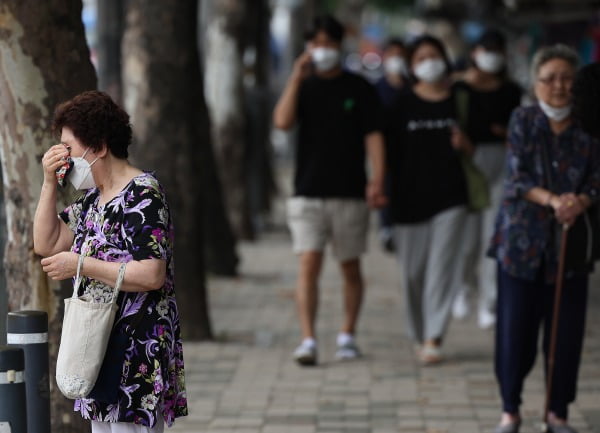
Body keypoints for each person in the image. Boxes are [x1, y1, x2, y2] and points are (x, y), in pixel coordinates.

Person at [33, 91, 188, 432]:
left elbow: (151, 274)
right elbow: (46, 242)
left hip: (135, 350)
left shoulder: (143, 195)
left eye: (69, 149)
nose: (65, 160)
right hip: (96, 346)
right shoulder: (93, 199)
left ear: (99, 147)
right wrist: (48, 183)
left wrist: (81, 265)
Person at [488, 45, 600, 433]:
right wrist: (554, 200)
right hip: (520, 245)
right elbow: (517, 179)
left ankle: (558, 413)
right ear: (535, 82)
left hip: (570, 249)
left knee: (565, 334)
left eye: (566, 77)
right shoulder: (523, 120)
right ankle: (510, 409)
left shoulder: (589, 125)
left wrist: (580, 201)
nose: (558, 86)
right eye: (549, 77)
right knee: (514, 331)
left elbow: (597, 180)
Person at [272, 15, 386, 366]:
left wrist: (377, 179)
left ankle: (347, 334)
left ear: (340, 45)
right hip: (307, 191)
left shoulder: (359, 88)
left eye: (327, 43)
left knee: (350, 266)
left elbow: (374, 136)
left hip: (350, 191)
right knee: (308, 263)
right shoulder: (303, 85)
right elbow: (282, 121)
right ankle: (308, 339)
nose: (321, 50)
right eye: (315, 43)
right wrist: (295, 76)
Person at [384, 35, 473, 365]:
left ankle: (434, 336)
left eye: (435, 55)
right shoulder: (399, 106)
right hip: (407, 200)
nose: (429, 61)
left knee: (441, 269)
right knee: (412, 274)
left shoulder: (461, 102)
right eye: (421, 57)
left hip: (451, 198)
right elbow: (385, 155)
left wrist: (465, 144)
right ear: (411, 65)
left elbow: (480, 148)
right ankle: (419, 333)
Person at [451, 29, 522, 329]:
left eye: (497, 49)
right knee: (466, 241)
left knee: (493, 239)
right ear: (475, 52)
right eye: (486, 49)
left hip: (502, 162)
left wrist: (508, 137)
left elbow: (518, 127)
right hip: (467, 166)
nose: (491, 55)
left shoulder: (511, 90)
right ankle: (463, 289)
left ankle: (489, 303)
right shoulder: (459, 90)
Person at [375, 37, 409, 253]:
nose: (396, 59)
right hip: (386, 149)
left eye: (400, 55)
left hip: (411, 150)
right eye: (392, 54)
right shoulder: (377, 88)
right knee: (386, 186)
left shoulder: (414, 87)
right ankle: (387, 228)